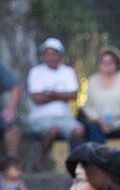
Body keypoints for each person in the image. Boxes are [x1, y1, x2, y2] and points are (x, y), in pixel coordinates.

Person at [26, 38, 85, 171]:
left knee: (78, 131)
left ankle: (76, 163)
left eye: (54, 54)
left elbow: (74, 95)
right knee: (52, 130)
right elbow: (37, 98)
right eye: (47, 54)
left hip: (64, 117)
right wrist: (61, 95)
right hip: (40, 118)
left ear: (60, 55)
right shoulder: (36, 72)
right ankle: (39, 160)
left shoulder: (67, 71)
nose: (50, 57)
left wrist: (51, 94)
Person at [79, 46, 120, 163]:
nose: (106, 64)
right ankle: (98, 164)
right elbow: (88, 106)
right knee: (94, 129)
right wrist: (98, 120)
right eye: (103, 61)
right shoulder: (93, 80)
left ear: (117, 63)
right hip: (100, 121)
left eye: (110, 62)